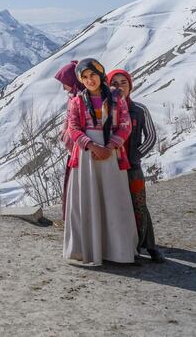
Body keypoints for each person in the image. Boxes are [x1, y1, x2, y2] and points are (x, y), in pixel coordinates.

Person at [63, 58, 138, 265]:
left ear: (100, 74)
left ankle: (117, 251)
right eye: (84, 77)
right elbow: (73, 128)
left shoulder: (116, 98)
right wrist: (93, 146)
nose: (89, 80)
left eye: (92, 75)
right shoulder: (77, 101)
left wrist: (110, 146)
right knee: (89, 200)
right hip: (87, 155)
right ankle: (89, 250)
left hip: (111, 154)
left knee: (113, 200)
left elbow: (125, 125)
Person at [107, 69, 164, 263]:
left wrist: (136, 155)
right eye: (114, 83)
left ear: (130, 85)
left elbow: (151, 137)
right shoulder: (104, 110)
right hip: (110, 167)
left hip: (132, 167)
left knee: (139, 205)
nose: (119, 86)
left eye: (124, 82)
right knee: (116, 206)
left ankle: (149, 245)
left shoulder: (139, 110)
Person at [54, 60, 81, 219]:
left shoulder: (79, 98)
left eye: (65, 83)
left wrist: (67, 136)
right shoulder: (73, 96)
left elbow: (73, 124)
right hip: (73, 148)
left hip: (77, 150)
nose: (64, 87)